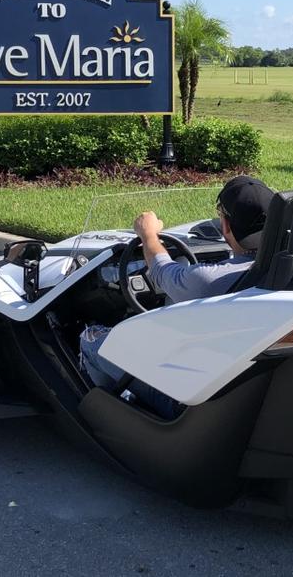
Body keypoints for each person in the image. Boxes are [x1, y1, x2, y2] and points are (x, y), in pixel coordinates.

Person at [79, 175, 277, 419]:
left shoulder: (209, 280)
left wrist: (148, 235)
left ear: (224, 225)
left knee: (92, 339)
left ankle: (112, 414)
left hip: (184, 398)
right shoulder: (290, 269)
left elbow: (161, 270)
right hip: (242, 387)